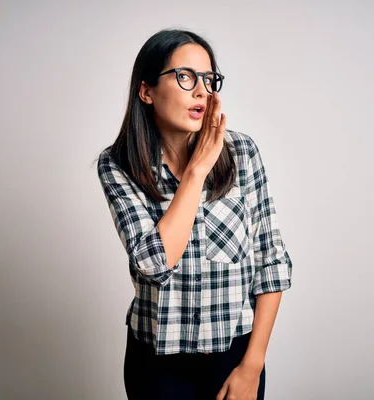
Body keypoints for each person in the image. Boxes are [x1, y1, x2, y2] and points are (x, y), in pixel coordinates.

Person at [96, 28, 292, 400]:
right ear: (147, 91)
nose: (202, 91)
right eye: (185, 77)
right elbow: (154, 264)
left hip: (234, 357)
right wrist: (197, 171)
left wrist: (253, 365)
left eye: (208, 79)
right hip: (155, 363)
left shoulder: (243, 152)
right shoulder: (117, 164)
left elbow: (272, 262)